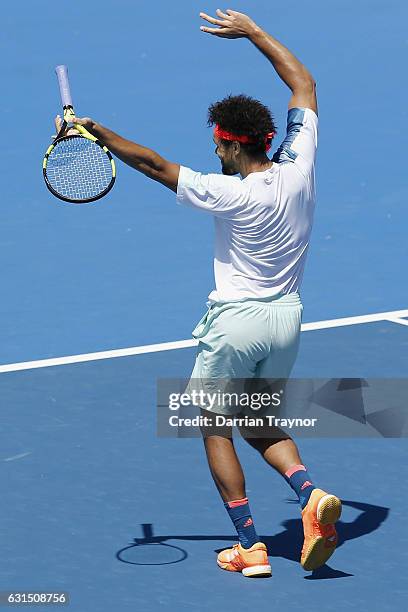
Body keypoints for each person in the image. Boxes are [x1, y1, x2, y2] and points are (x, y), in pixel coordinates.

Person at [59, 8, 341, 578]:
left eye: (218, 144)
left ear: (235, 146)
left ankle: (252, 548)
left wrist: (96, 132)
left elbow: (154, 163)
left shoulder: (226, 193)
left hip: (236, 325)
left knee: (213, 425)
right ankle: (310, 495)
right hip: (286, 322)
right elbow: (303, 84)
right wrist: (255, 32)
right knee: (258, 420)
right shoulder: (299, 164)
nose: (214, 152)